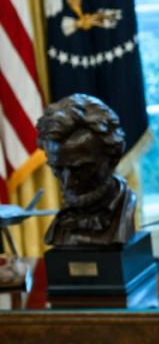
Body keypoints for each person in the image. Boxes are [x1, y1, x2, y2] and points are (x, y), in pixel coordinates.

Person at [36, 93, 137, 248]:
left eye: (81, 169)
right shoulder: (61, 224)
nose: (68, 183)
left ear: (113, 159)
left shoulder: (124, 210)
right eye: (57, 168)